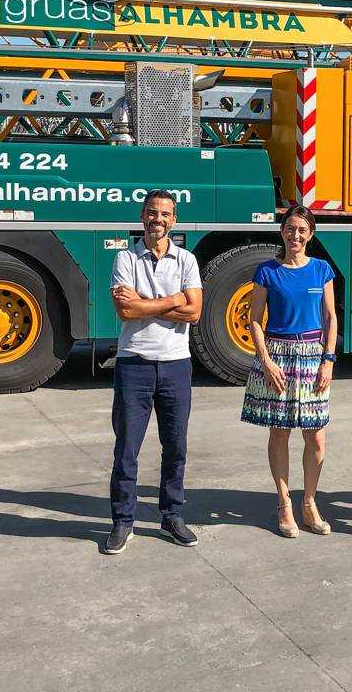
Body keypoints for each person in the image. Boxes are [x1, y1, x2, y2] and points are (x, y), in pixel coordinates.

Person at [103, 190, 204, 554]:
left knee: (176, 447)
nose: (157, 219)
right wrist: (175, 299)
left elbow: (194, 313)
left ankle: (172, 515)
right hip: (135, 363)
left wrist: (147, 304)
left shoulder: (187, 260)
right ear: (142, 216)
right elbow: (126, 313)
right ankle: (122, 521)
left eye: (165, 213)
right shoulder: (125, 258)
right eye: (151, 212)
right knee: (127, 448)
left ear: (173, 220)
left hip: (176, 364)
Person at [241, 205, 338, 538]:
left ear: (310, 234)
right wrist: (266, 361)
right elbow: (254, 318)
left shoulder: (322, 270)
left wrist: (329, 359)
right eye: (290, 228)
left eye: (302, 230)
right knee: (279, 432)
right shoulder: (267, 271)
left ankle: (309, 502)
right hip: (278, 353)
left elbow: (330, 318)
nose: (295, 236)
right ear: (282, 231)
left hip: (313, 355)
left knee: (316, 435)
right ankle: (284, 503)